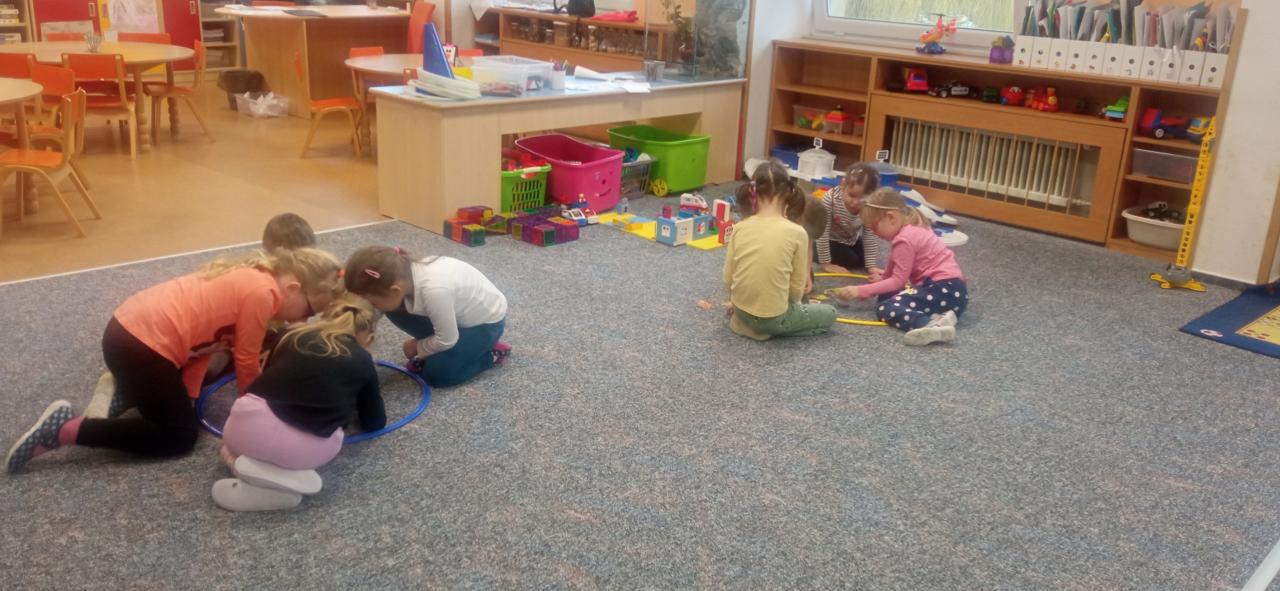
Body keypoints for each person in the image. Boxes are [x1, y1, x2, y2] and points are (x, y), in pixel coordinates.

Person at [6, 248, 345, 473]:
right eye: (310, 310)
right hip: (140, 346)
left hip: (129, 332)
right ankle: (65, 430)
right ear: (293, 288)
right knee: (179, 436)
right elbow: (245, 361)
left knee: (187, 402)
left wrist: (190, 397)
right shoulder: (262, 295)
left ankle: (129, 390)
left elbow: (204, 347)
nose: (305, 320)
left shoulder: (255, 278)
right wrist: (254, 409)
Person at [212, 295, 386, 512]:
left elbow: (267, 375)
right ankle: (285, 476)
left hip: (245, 433)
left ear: (322, 318)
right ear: (369, 338)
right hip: (306, 453)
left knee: (229, 448)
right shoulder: (363, 360)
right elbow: (375, 422)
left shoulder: (291, 335)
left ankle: (246, 465)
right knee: (330, 434)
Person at [344, 247, 510, 387]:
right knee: (391, 308)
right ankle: (456, 349)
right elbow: (366, 318)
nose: (372, 307)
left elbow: (447, 340)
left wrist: (418, 347)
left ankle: (490, 354)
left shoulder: (434, 290)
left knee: (437, 375)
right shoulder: (401, 277)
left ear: (395, 290)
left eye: (373, 302)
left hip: (484, 325)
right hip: (453, 317)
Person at [836, 188, 968, 346]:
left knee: (885, 307)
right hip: (955, 294)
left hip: (941, 290)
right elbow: (893, 268)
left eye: (875, 226)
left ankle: (929, 324)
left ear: (891, 217)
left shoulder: (904, 240)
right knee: (886, 294)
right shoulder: (913, 228)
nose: (874, 233)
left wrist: (860, 290)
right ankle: (942, 317)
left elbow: (898, 281)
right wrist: (881, 282)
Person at [723, 161, 836, 341]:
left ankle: (745, 323)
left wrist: (738, 303)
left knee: (762, 309)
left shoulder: (739, 227)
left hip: (741, 310)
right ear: (789, 193)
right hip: (774, 317)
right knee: (829, 313)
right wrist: (794, 307)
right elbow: (796, 288)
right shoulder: (798, 232)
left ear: (753, 193)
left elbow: (728, 278)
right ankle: (770, 329)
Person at [816, 162, 887, 273]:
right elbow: (822, 232)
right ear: (843, 185)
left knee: (863, 260)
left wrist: (871, 266)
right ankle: (815, 251)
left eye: (862, 198)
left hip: (849, 239)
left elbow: (870, 235)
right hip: (829, 238)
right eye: (852, 195)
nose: (855, 202)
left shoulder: (869, 205)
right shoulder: (831, 199)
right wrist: (826, 264)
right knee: (851, 260)